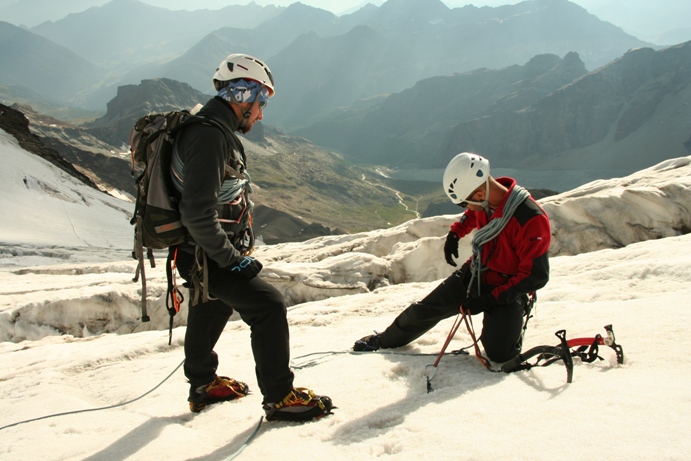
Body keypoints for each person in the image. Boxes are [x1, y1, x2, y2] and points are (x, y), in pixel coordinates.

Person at [170, 53, 333, 421]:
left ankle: (202, 383)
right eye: (261, 103)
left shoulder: (206, 127)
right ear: (243, 96)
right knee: (268, 306)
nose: (261, 114)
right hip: (208, 252)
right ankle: (280, 397)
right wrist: (233, 260)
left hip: (195, 252)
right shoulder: (210, 136)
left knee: (211, 301)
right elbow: (196, 212)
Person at [353, 152, 551, 364]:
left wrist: (489, 300)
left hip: (509, 288)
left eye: (464, 203)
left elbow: (535, 276)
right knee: (425, 309)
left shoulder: (530, 219)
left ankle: (510, 329)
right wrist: (456, 233)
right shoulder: (487, 202)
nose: (465, 208)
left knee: (500, 354)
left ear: (478, 195)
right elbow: (472, 215)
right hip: (477, 273)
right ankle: (383, 341)